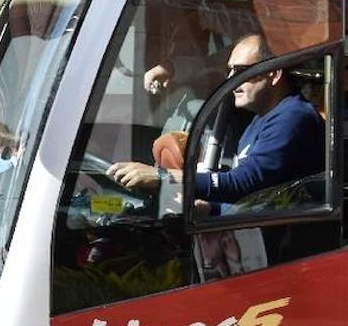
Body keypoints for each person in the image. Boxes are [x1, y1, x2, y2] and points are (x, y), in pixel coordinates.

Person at [108, 33, 327, 205]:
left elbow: (242, 184)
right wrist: (210, 208)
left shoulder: (292, 118)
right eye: (230, 71)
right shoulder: (264, 117)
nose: (231, 79)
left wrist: (162, 176)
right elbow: (254, 197)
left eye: (240, 71)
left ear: (273, 74)